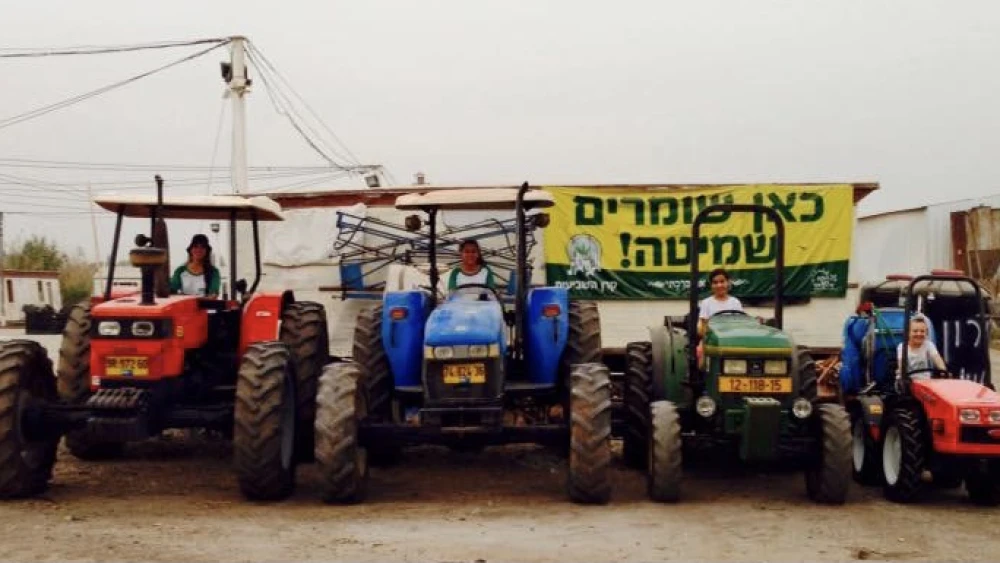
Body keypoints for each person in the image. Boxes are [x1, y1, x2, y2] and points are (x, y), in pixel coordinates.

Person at [696, 268, 744, 368]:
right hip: (711, 340)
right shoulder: (706, 303)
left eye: (722, 281)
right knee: (701, 355)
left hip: (732, 339)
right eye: (715, 282)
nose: (719, 285)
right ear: (711, 285)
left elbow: (741, 325)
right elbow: (701, 327)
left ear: (728, 283)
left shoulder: (735, 302)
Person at [170, 234, 221, 298]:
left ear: (207, 251)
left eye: (202, 247)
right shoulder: (180, 271)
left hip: (205, 307)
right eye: (195, 246)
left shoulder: (213, 272)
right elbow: (172, 289)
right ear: (190, 250)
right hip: (185, 306)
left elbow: (214, 294)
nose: (199, 250)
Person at [896, 315, 947, 379]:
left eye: (922, 331)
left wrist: (943, 371)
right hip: (907, 381)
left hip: (924, 380)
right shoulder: (902, 347)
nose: (919, 334)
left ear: (926, 333)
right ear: (908, 333)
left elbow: (937, 359)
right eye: (915, 331)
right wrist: (902, 372)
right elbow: (901, 365)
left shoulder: (928, 345)